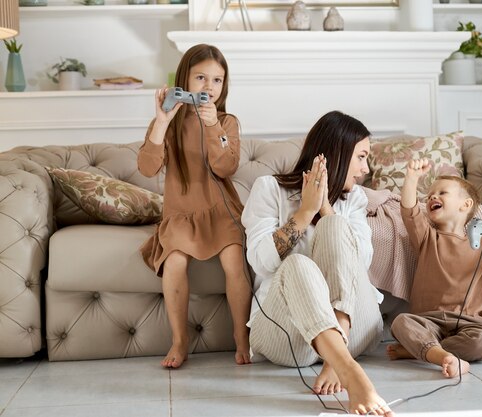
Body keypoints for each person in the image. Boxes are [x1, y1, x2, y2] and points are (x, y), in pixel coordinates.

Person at [241, 111, 394, 416]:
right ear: (337, 153)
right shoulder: (269, 189)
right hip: (286, 335)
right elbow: (261, 263)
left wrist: (325, 210)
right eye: (361, 157)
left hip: (355, 326)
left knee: (336, 228)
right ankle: (348, 368)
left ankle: (337, 359)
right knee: (298, 264)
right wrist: (304, 212)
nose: (365, 170)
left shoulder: (356, 200)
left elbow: (358, 264)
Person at [137, 44, 251, 368]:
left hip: (220, 210)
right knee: (174, 262)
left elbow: (226, 168)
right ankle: (179, 340)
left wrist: (214, 127)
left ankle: (241, 338)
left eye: (217, 80)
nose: (208, 87)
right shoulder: (168, 122)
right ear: (184, 78)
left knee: (233, 261)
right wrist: (161, 122)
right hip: (181, 214)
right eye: (201, 77)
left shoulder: (227, 122)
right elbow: (147, 168)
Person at [386, 158, 482, 378]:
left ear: (466, 205)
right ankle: (441, 355)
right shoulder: (427, 237)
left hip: (470, 323)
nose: (433, 196)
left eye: (443, 193)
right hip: (428, 320)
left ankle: (422, 351)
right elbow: (409, 211)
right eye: (430, 195)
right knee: (401, 323)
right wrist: (412, 178)